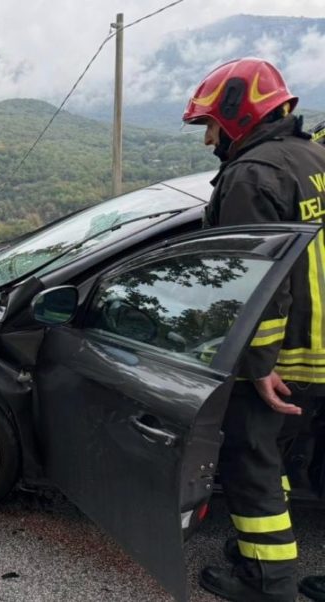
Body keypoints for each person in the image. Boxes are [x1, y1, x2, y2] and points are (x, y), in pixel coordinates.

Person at [183, 57, 325, 602]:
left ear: (239, 115)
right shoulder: (314, 157)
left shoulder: (252, 175)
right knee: (288, 457)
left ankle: (267, 584)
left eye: (211, 126)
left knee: (254, 465)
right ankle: (252, 553)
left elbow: (258, 282)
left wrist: (258, 365)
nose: (208, 141)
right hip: (318, 346)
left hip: (288, 356)